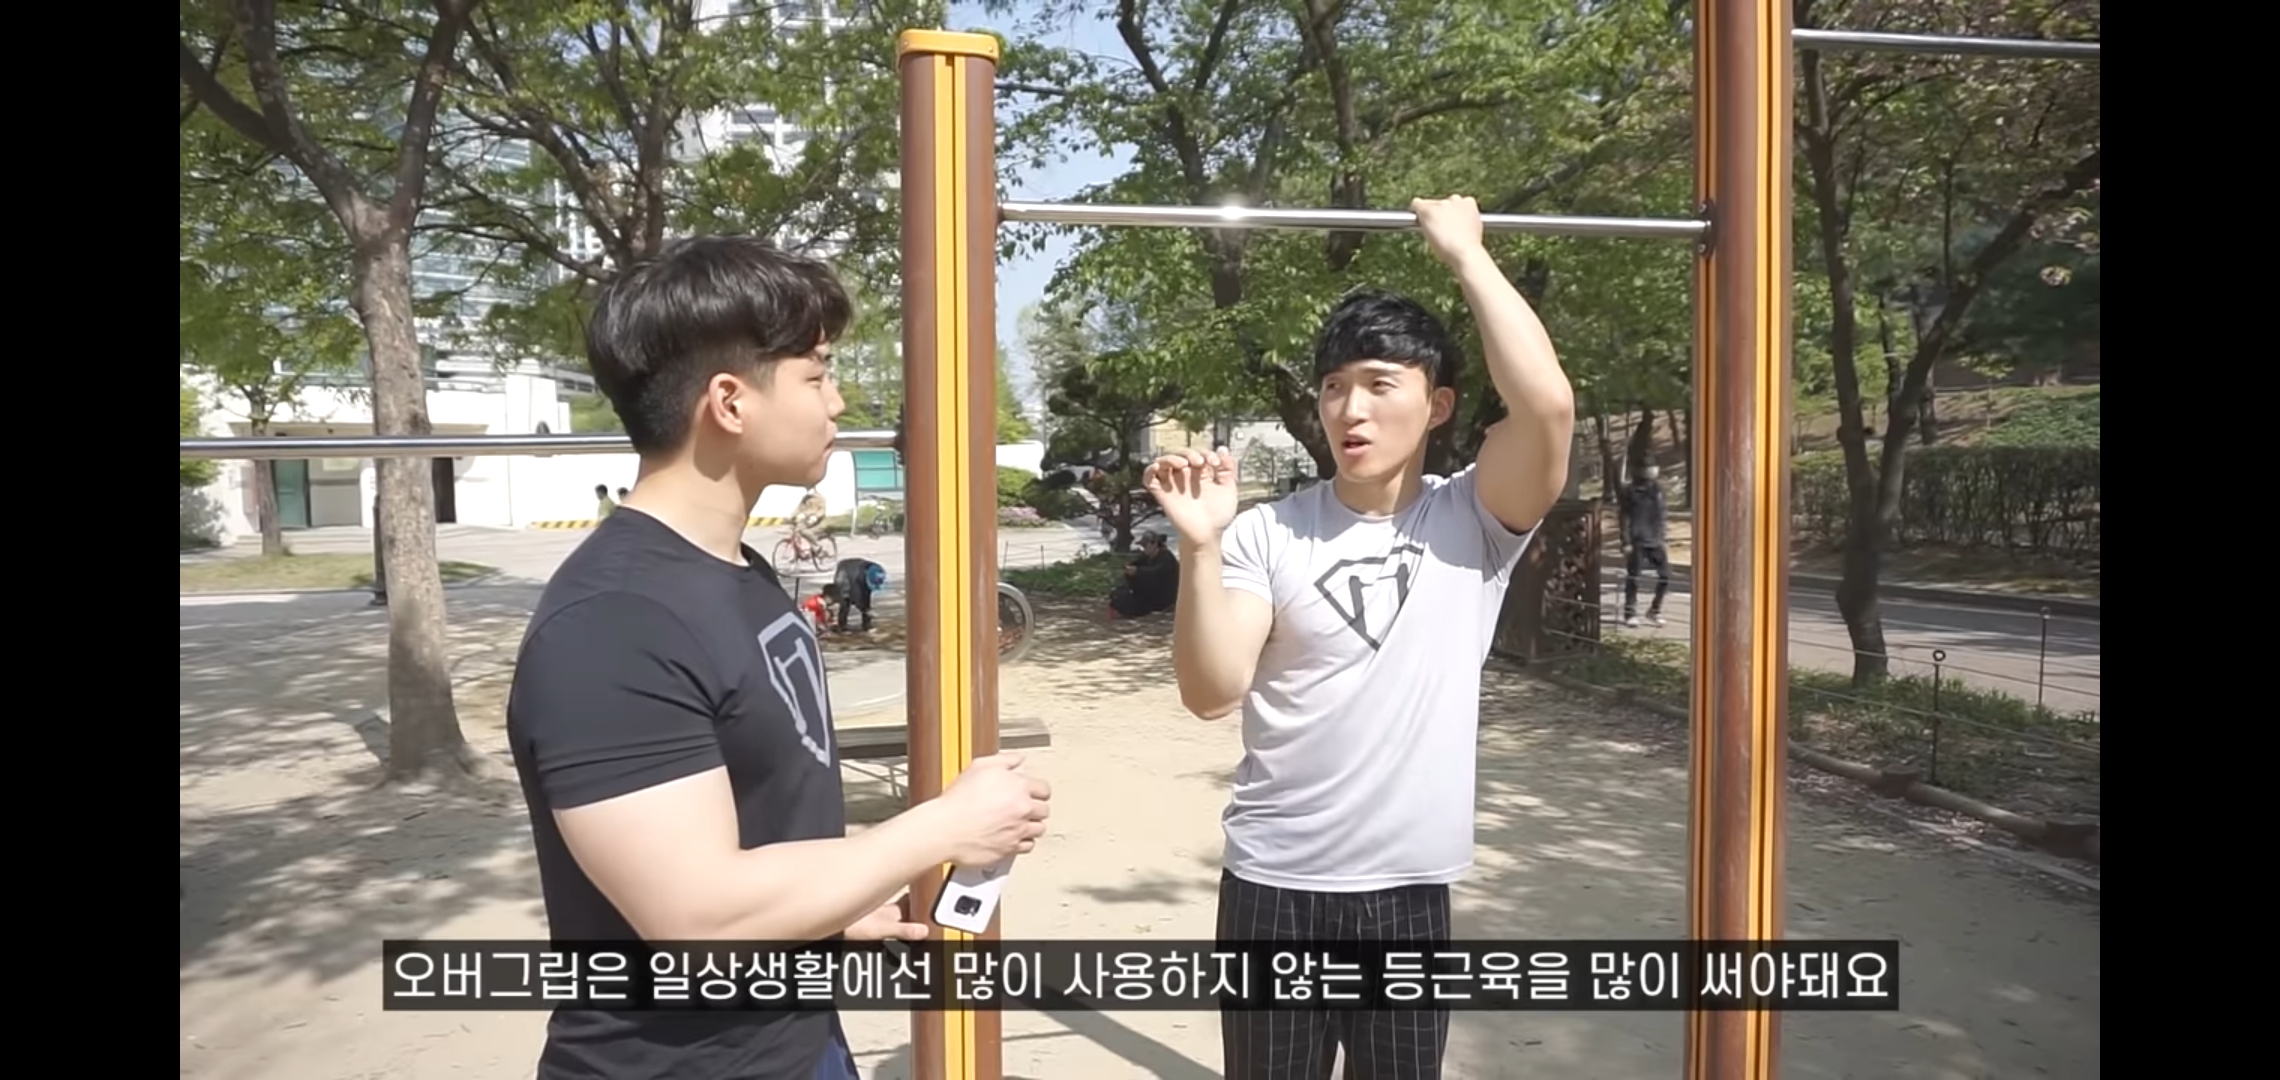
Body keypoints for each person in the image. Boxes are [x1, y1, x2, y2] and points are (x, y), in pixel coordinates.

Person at [504, 236, 1053, 1080]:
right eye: (816, 374)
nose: (838, 401)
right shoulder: (614, 622)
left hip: (795, 1044)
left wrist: (828, 913)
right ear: (730, 401)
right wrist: (942, 827)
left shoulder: (737, 573)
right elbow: (697, 918)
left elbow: (753, 828)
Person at [1145, 196, 1574, 1080]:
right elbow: (1211, 691)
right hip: (1274, 887)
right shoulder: (1269, 532)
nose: (1352, 409)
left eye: (1380, 384)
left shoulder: (1475, 518)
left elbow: (1547, 406)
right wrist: (1201, 548)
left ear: (1438, 404)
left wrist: (1467, 256)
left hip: (1408, 895)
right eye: (1335, 386)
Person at [1617, 463, 1672, 628]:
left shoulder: (1658, 490)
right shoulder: (1630, 491)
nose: (1654, 470)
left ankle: (1655, 610)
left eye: (1655, 466)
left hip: (1656, 540)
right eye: (1649, 467)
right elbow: (1623, 518)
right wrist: (1626, 541)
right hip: (1637, 540)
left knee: (1665, 576)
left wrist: (1663, 535)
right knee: (1634, 577)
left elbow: (1662, 515)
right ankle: (1630, 613)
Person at [1107, 529, 1179, 620]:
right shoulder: (1146, 556)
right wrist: (1128, 568)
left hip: (1163, 597)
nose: (1144, 548)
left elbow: (1156, 572)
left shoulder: (1167, 558)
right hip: (1149, 594)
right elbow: (1136, 563)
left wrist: (1137, 571)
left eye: (1145, 545)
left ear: (1155, 544)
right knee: (1118, 595)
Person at [819, 557, 887, 633]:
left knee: (866, 597)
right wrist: (865, 610)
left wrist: (867, 608)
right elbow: (857, 598)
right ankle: (842, 626)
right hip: (844, 573)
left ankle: (867, 625)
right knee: (845, 601)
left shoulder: (877, 571)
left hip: (856, 571)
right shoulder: (856, 579)